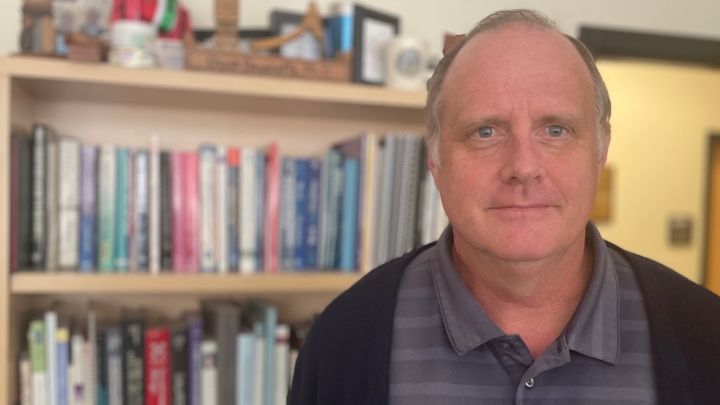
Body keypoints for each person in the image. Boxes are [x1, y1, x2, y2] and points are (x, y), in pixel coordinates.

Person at [289, 9, 720, 405]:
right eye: (485, 132)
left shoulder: (704, 337)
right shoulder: (344, 340)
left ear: (600, 151)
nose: (523, 167)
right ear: (436, 160)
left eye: (556, 130)